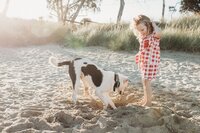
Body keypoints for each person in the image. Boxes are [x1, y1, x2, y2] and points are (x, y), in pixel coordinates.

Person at [132, 15, 161, 106]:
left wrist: (153, 24)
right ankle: (145, 99)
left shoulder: (154, 35)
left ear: (148, 26)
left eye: (142, 29)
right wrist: (138, 55)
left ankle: (148, 102)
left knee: (147, 82)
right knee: (144, 81)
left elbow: (159, 33)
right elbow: (143, 49)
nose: (141, 32)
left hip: (151, 62)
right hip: (144, 61)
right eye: (138, 30)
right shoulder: (143, 36)